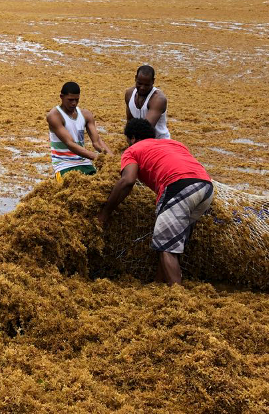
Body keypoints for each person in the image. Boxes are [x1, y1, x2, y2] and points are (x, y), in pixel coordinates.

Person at [97, 118, 213, 286]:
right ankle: (159, 285)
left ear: (132, 138)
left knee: (166, 248)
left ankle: (180, 300)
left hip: (178, 187)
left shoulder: (132, 150)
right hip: (205, 187)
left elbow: (127, 181)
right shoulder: (175, 144)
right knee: (170, 243)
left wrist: (105, 212)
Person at [46, 81, 112, 182]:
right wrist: (97, 157)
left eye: (77, 100)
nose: (74, 103)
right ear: (61, 97)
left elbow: (97, 142)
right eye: (70, 100)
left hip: (85, 163)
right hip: (63, 165)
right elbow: (70, 144)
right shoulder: (54, 116)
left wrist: (112, 159)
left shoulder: (86, 114)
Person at [125, 64, 170, 139]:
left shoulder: (158, 99)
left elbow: (146, 130)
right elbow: (130, 122)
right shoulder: (129, 94)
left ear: (153, 81)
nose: (142, 88)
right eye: (139, 83)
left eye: (146, 85)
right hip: (139, 141)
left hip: (159, 141)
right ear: (135, 78)